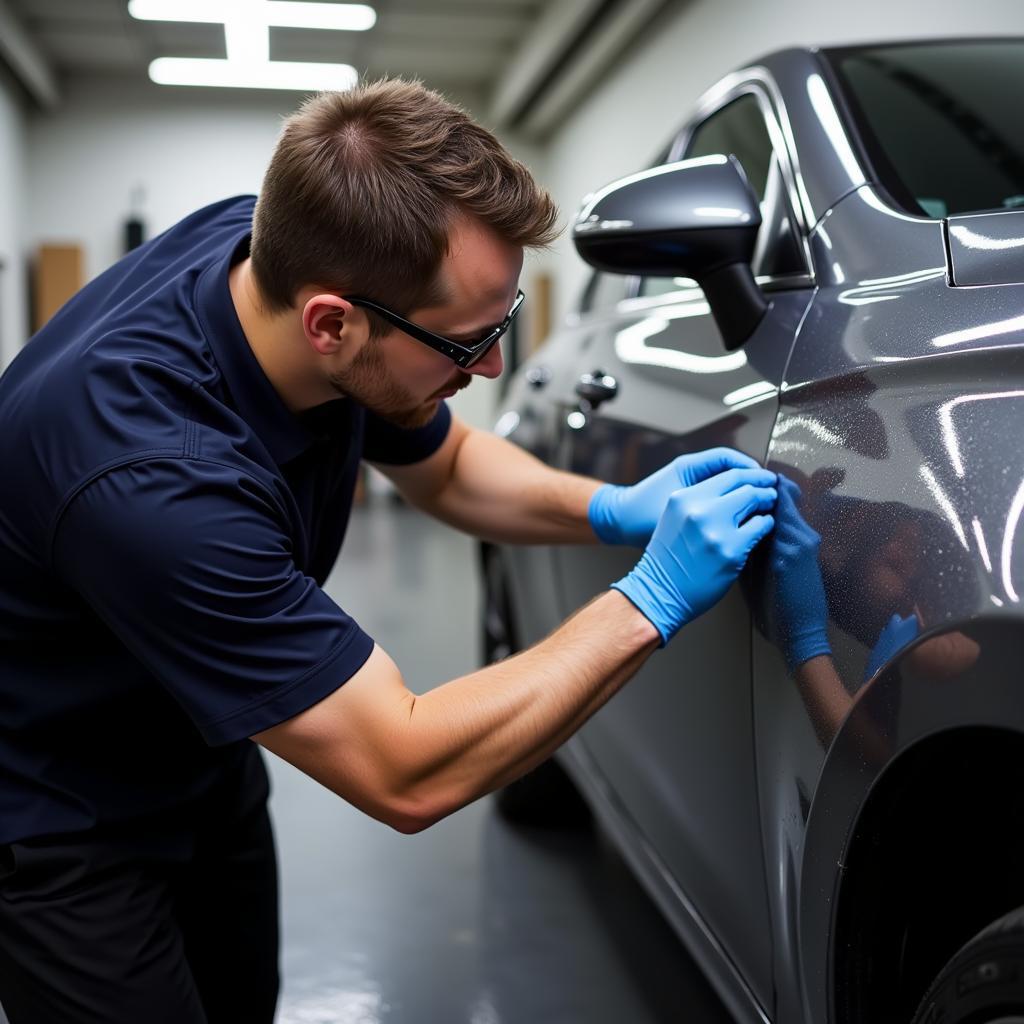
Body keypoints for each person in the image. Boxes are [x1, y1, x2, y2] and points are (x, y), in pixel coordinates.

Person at [0, 79, 777, 1023]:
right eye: (466, 342)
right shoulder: (151, 480)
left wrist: (615, 507)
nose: (492, 367)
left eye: (503, 323)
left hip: (198, 748)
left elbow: (445, 466)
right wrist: (648, 600)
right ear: (332, 323)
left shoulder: (275, 250)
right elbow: (402, 766)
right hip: (59, 817)